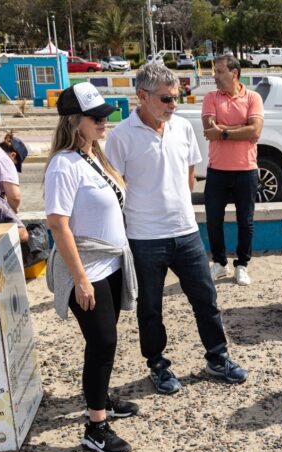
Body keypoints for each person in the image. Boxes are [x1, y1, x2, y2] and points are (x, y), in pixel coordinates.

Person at [105, 62, 248, 395]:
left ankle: (217, 356)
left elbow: (189, 172)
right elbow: (115, 186)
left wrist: (179, 207)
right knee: (151, 307)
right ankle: (157, 365)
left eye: (177, 97)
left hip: (185, 232)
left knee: (206, 298)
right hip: (144, 237)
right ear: (142, 96)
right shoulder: (121, 137)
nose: (174, 105)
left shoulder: (182, 128)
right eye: (167, 99)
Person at [44, 82, 139, 452]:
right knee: (102, 343)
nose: (105, 122)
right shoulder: (63, 165)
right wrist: (80, 279)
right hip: (90, 269)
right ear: (73, 120)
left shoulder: (93, 156)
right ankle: (95, 426)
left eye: (106, 115)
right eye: (96, 117)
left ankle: (102, 398)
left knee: (106, 340)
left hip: (112, 263)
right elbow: (57, 224)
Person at [202, 54, 265, 286]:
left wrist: (225, 132)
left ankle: (242, 265)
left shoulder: (253, 97)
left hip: (246, 170)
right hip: (217, 170)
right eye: (215, 71)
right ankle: (219, 263)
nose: (215, 76)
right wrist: (242, 127)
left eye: (219, 72)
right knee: (213, 220)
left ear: (234, 73)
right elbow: (209, 129)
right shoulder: (210, 97)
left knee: (245, 221)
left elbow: (255, 131)